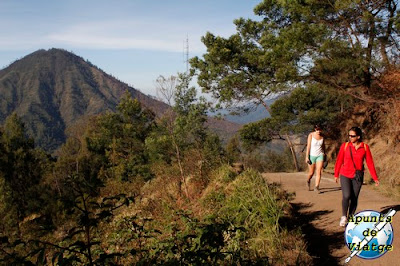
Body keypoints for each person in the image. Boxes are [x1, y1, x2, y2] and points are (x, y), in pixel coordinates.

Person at [334, 127, 379, 227]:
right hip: (345, 174)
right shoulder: (345, 146)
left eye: (353, 136)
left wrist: (375, 178)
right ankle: (343, 216)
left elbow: (370, 163)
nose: (350, 137)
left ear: (358, 136)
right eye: (349, 135)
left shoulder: (365, 147)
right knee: (346, 195)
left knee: (354, 198)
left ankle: (350, 218)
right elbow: (339, 161)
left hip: (357, 176)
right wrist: (336, 174)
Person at [305, 124, 325, 193]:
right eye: (317, 129)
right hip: (312, 156)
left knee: (319, 171)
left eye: (319, 129)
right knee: (311, 172)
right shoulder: (311, 135)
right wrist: (307, 157)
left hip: (320, 155)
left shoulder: (322, 137)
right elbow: (308, 146)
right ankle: (308, 180)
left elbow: (323, 145)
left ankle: (316, 187)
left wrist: (324, 153)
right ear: (315, 129)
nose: (318, 131)